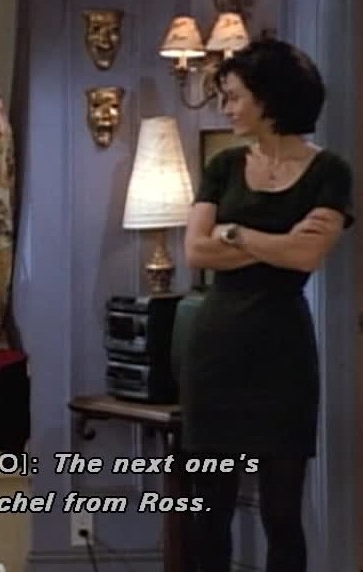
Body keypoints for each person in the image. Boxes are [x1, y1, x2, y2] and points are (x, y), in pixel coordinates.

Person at [181, 38, 354, 571]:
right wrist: (275, 242)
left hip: (282, 354)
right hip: (216, 351)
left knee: (282, 513)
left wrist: (235, 233)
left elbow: (306, 256)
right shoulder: (224, 165)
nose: (226, 108)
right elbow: (196, 250)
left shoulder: (330, 171)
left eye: (234, 96)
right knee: (208, 512)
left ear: (270, 98)